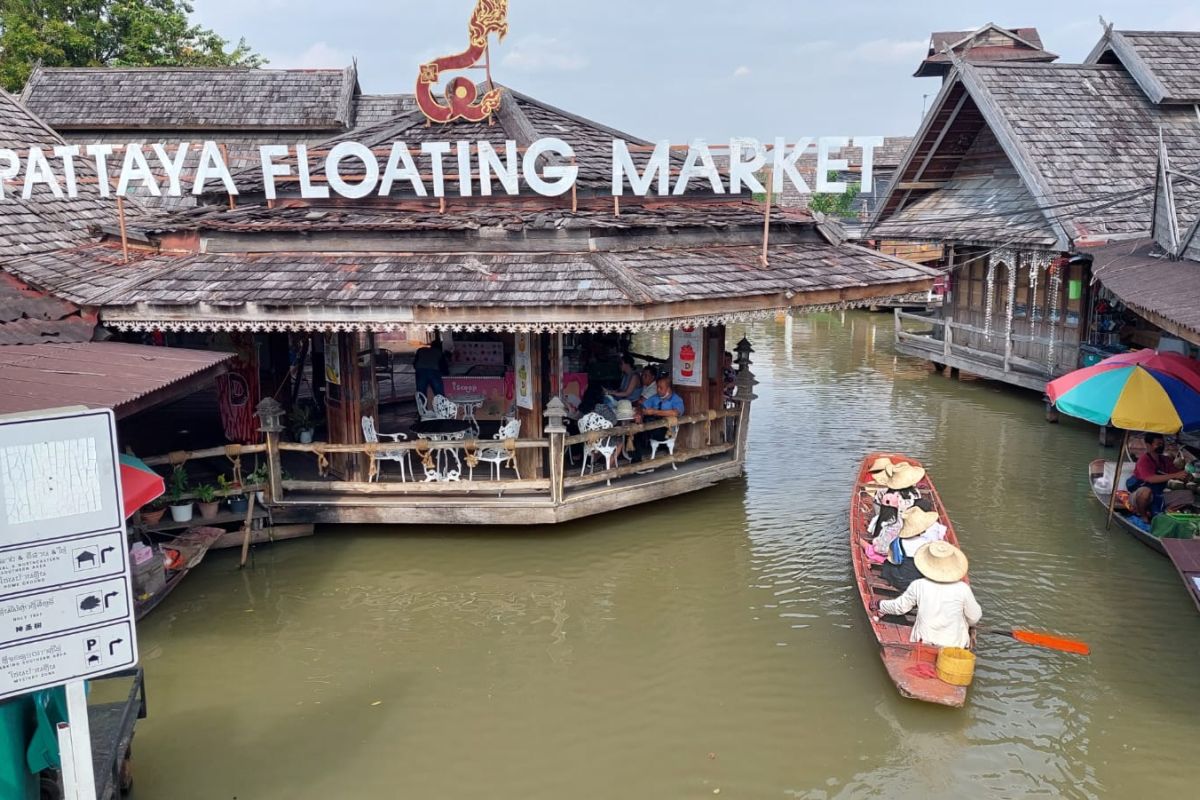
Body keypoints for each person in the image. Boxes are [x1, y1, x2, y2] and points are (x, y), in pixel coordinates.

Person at [875, 541, 981, 649]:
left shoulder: (919, 585)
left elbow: (900, 608)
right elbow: (974, 617)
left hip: (925, 642)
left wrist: (879, 604)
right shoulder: (963, 588)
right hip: (955, 645)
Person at [879, 505, 946, 592]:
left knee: (888, 565)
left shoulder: (898, 541)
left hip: (902, 581)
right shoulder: (928, 543)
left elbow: (895, 561)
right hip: (919, 581)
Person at [1128, 433, 1189, 522]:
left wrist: (1186, 473)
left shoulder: (1165, 460)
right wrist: (1175, 475)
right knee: (1145, 492)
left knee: (1188, 496)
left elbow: (1178, 474)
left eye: (1162, 444)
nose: (1161, 446)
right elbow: (1150, 478)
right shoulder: (1143, 460)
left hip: (1159, 495)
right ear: (1148, 445)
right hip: (1139, 496)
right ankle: (1143, 516)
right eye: (1158, 444)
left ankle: (1166, 510)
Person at [634, 376, 685, 460]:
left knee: (639, 433)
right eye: (657, 387)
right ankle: (637, 460)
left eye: (661, 387)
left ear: (668, 389)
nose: (658, 389)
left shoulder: (676, 399)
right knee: (636, 430)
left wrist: (654, 412)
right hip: (652, 426)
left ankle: (638, 461)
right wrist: (639, 414)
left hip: (666, 431)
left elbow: (675, 413)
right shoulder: (655, 397)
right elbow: (641, 405)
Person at [413, 338, 447, 405]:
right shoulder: (439, 352)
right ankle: (442, 409)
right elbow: (443, 366)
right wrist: (446, 373)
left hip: (421, 370)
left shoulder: (421, 350)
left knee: (421, 392)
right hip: (434, 371)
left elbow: (415, 362)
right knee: (439, 393)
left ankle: (422, 410)